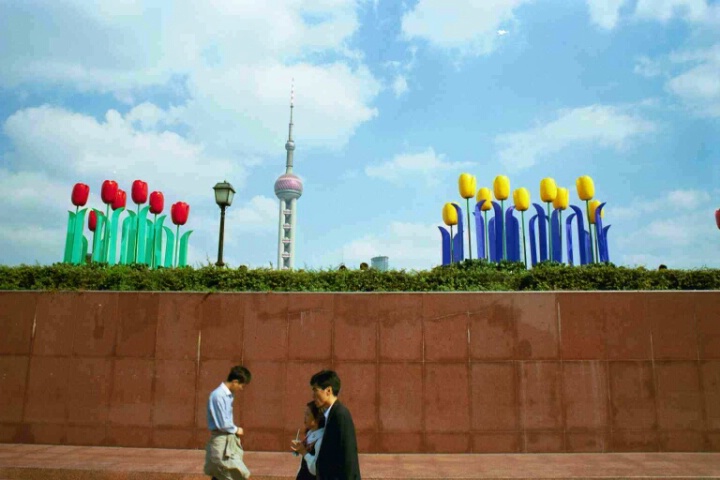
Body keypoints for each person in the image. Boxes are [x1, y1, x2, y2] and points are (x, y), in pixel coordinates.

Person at [310, 370, 361, 480]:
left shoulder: (340, 415)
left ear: (328, 390)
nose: (313, 395)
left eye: (315, 390)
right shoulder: (330, 415)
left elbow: (348, 457)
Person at [204, 365, 252, 480]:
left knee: (224, 474)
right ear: (235, 381)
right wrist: (236, 429)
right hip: (221, 439)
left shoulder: (228, 395)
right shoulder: (218, 395)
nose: (241, 388)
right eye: (241, 385)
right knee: (231, 473)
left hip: (227, 440)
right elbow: (222, 423)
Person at [291, 401, 326, 480]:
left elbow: (316, 469)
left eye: (307, 414)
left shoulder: (320, 440)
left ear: (317, 418)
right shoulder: (310, 433)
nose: (304, 417)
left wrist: (304, 452)